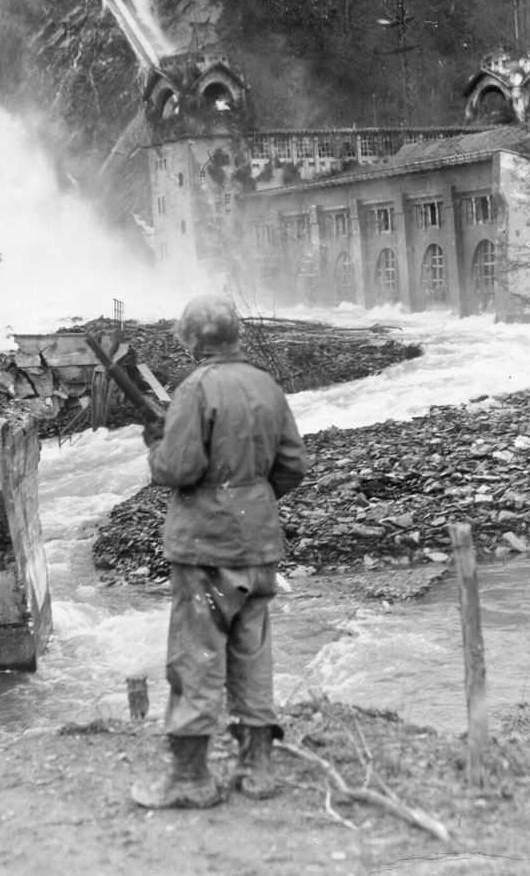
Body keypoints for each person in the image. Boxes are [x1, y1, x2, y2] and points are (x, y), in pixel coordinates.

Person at [130, 293, 308, 810]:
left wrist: (155, 448)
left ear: (192, 341)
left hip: (207, 548)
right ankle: (257, 770)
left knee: (198, 656)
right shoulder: (265, 384)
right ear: (235, 335)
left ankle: (189, 779)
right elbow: (293, 464)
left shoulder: (195, 387)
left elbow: (178, 468)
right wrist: (253, 497)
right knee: (252, 654)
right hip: (259, 543)